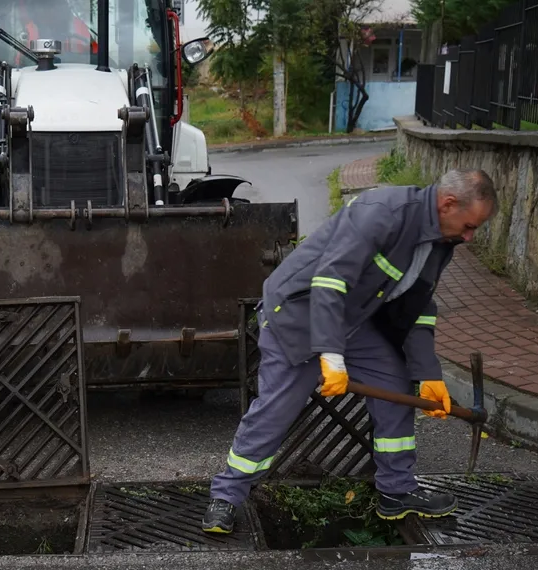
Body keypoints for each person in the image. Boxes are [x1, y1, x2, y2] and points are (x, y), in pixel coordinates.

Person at [201, 169, 498, 534]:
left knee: (397, 386)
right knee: (276, 410)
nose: (469, 236)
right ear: (448, 203)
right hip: (299, 315)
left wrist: (428, 373)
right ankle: (226, 495)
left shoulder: (442, 241)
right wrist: (331, 356)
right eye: (469, 225)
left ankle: (397, 490)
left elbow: (418, 306)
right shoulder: (382, 212)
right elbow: (329, 281)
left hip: (353, 320)